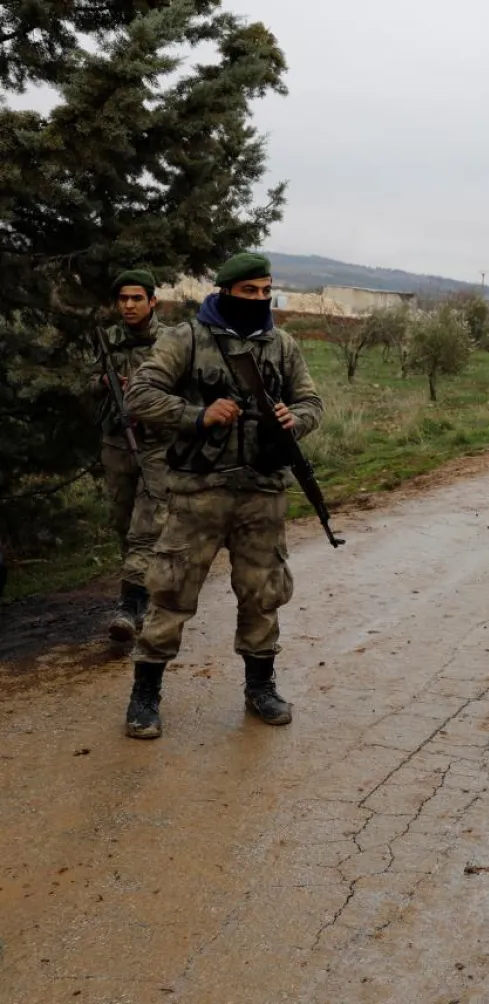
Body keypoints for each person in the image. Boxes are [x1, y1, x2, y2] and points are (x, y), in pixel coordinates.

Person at [121, 252, 323, 739]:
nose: (258, 299)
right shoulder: (187, 339)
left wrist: (297, 420)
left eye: (265, 290)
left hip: (262, 491)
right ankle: (144, 695)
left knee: (263, 592)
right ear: (226, 291)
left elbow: (311, 401)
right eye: (248, 291)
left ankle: (261, 687)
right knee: (170, 592)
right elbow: (140, 395)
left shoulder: (282, 345)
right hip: (199, 492)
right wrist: (197, 414)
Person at [94, 269, 170, 642]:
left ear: (152, 301)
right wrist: (104, 382)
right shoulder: (108, 339)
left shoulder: (170, 342)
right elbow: (89, 380)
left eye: (136, 298)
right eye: (123, 299)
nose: (128, 305)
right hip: (116, 442)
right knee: (123, 522)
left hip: (156, 444)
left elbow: (184, 390)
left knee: (147, 525)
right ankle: (143, 591)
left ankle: (128, 606)